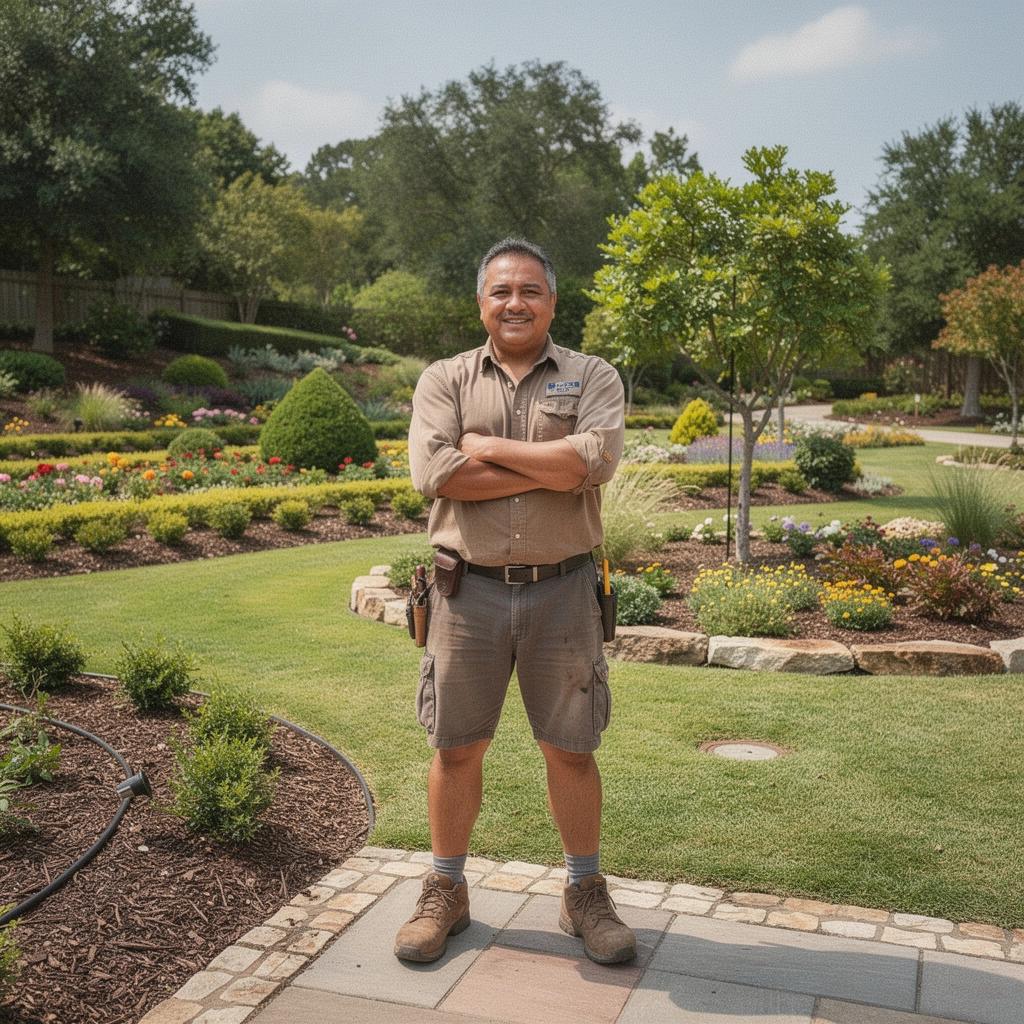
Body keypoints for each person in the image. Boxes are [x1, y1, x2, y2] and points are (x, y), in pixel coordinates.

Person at [396, 237, 633, 966]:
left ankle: (583, 893)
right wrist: (551, 471)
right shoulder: (445, 378)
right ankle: (446, 890)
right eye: (501, 291)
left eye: (530, 290)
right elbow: (436, 473)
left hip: (565, 592)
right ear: (481, 303)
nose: (515, 303)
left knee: (571, 748)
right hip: (465, 595)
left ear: (553, 302)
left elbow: (594, 461)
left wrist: (488, 449)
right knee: (456, 746)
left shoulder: (593, 374)